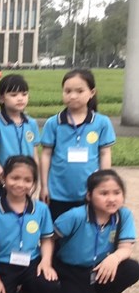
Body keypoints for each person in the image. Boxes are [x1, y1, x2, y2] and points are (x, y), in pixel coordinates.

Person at [51, 170, 139, 293]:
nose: (111, 199)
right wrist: (47, 264)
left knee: (132, 268)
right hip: (72, 268)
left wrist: (114, 258)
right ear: (89, 196)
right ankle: (53, 292)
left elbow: (125, 248)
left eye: (117, 193)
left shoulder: (123, 215)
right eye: (104, 193)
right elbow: (49, 238)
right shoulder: (75, 216)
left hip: (100, 267)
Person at [0, 156, 58, 293]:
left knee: (50, 285)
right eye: (15, 178)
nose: (20, 184)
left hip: (31, 262)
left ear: (34, 183)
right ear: (3, 178)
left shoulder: (41, 209)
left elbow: (46, 239)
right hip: (2, 265)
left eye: (27, 180)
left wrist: (46, 262)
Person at [39, 69, 115, 220]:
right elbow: (46, 155)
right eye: (67, 91)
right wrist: (44, 186)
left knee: (86, 229)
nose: (72, 96)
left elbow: (105, 153)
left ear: (92, 92)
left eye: (79, 91)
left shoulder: (102, 122)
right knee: (57, 230)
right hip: (57, 193)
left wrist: (104, 184)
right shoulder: (53, 123)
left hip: (89, 192)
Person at [0, 75, 40, 197]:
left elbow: (35, 154)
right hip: (6, 180)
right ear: (1, 98)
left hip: (27, 179)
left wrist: (36, 180)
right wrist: (1, 175)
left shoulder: (31, 123)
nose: (20, 98)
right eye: (14, 95)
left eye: (24, 94)